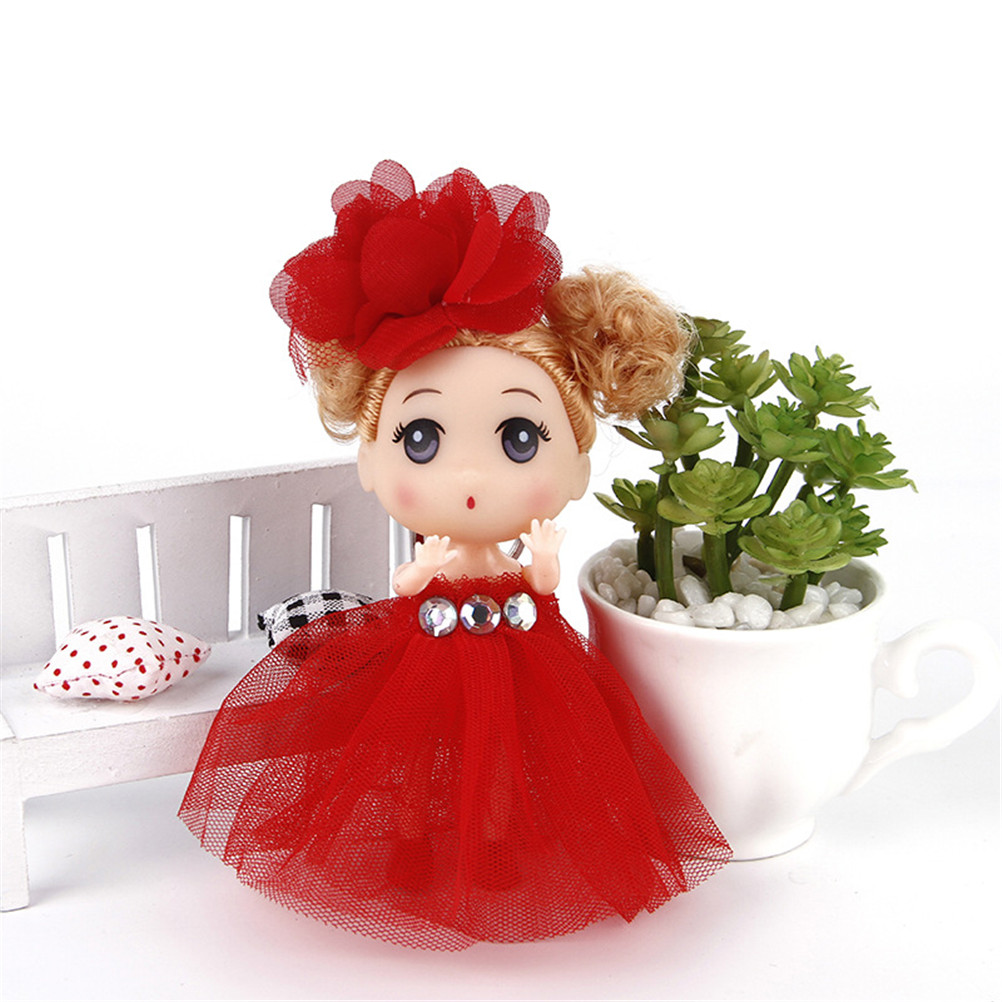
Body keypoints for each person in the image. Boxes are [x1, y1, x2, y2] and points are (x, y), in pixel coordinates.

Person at [179, 161, 730, 950]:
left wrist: (541, 565)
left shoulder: (522, 538)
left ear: (576, 466)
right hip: (426, 657)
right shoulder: (433, 548)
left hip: (525, 657)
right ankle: (410, 845)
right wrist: (418, 574)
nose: (469, 475)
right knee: (411, 763)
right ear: (370, 459)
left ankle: (500, 852)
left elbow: (541, 587)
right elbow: (407, 587)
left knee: (508, 764)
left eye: (519, 438)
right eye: (421, 438)